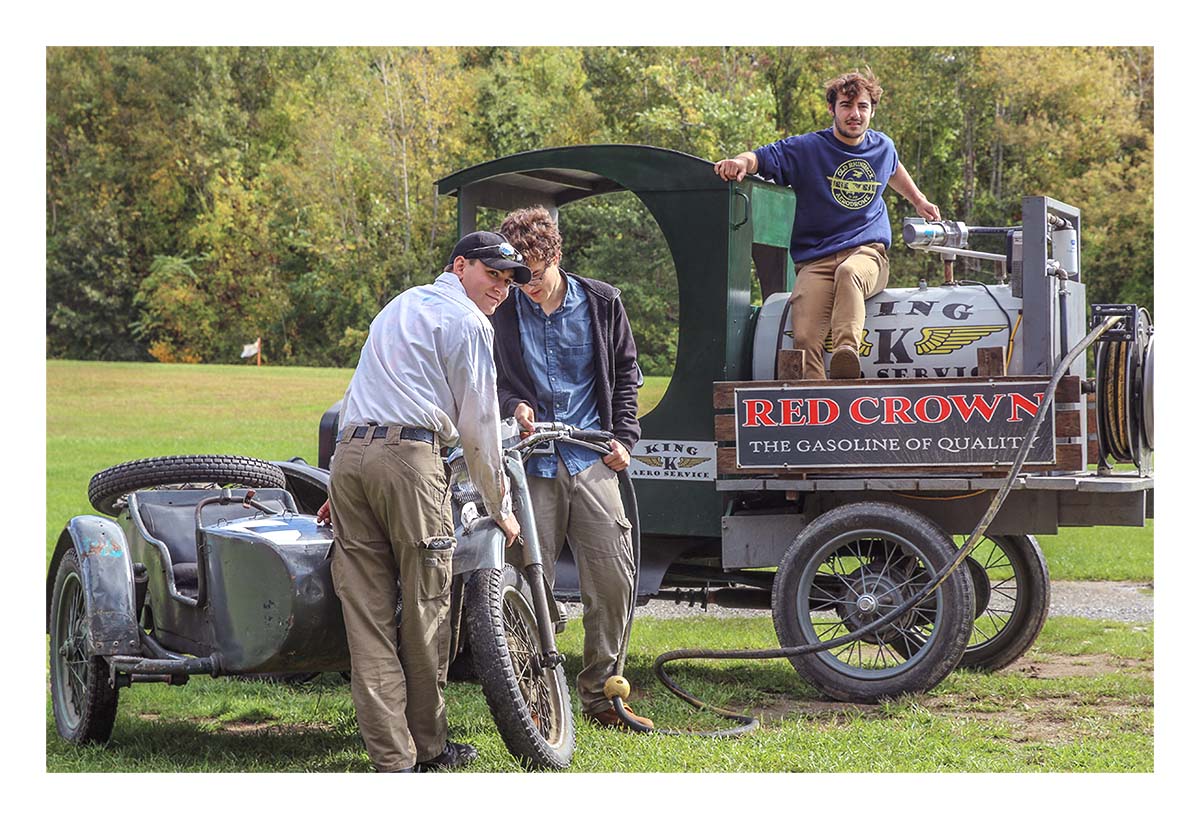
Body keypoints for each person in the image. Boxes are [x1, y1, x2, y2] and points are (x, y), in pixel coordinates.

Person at [316, 231, 529, 772]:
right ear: (460, 266)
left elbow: (361, 389)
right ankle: (430, 751)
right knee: (426, 610)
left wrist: (340, 490)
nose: (500, 289)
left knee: (366, 622)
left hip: (350, 455)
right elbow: (480, 428)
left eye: (507, 281)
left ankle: (393, 761)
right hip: (410, 459)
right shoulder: (470, 323)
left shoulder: (399, 304)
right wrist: (499, 506)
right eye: (493, 274)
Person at [490, 206, 651, 730]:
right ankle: (533, 695)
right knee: (519, 580)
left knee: (613, 577)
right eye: (516, 276)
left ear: (556, 257)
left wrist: (625, 439)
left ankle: (604, 694)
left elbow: (627, 374)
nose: (524, 286)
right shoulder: (502, 310)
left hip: (592, 457)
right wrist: (514, 405)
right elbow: (493, 379)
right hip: (529, 463)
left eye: (532, 275)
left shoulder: (603, 302)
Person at [715, 70, 941, 380]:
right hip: (816, 260)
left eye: (862, 106)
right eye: (846, 105)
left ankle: (847, 354)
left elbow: (893, 168)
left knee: (849, 273)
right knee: (805, 338)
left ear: (872, 110)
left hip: (868, 254)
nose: (854, 114)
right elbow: (761, 157)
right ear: (831, 109)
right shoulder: (808, 148)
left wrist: (919, 200)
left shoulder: (882, 146)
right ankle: (821, 404)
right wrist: (739, 163)